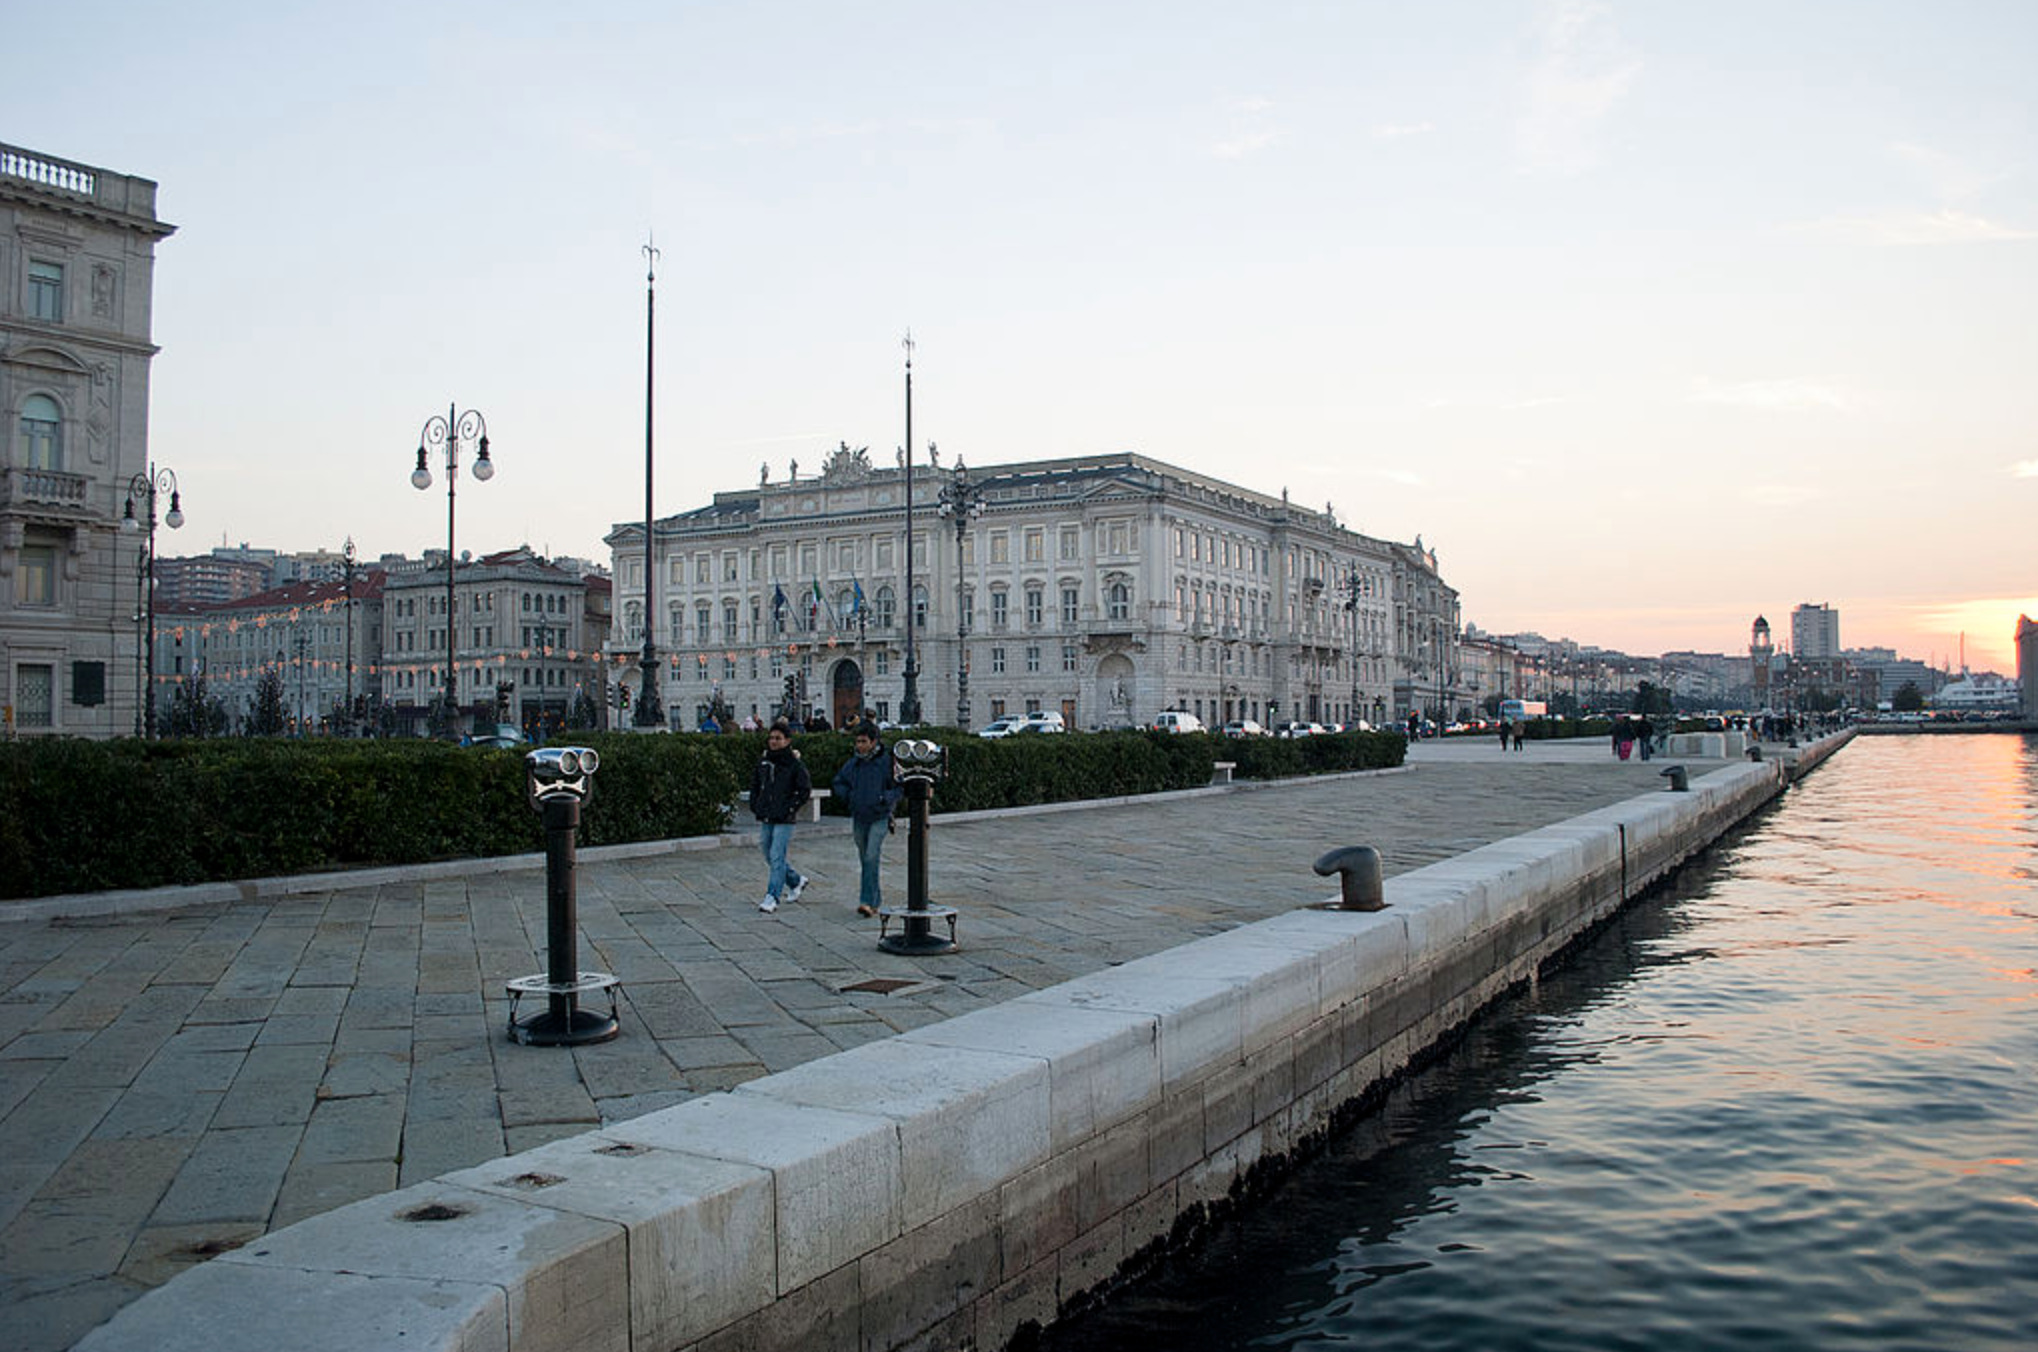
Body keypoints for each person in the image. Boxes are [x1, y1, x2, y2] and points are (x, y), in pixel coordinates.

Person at [832, 721, 902, 919]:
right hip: (859, 816)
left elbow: (898, 787)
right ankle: (875, 899)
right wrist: (849, 796)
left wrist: (886, 799)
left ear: (874, 742)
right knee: (865, 859)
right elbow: (839, 782)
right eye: (857, 742)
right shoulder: (854, 763)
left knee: (871, 856)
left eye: (863, 741)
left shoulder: (886, 762)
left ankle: (867, 901)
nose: (859, 746)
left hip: (880, 815)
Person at [749, 720, 812, 913]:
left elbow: (804, 789)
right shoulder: (764, 762)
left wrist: (791, 807)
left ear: (787, 740)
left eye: (778, 738)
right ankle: (795, 880)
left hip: (784, 817)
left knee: (777, 855)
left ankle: (772, 896)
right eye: (771, 738)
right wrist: (756, 804)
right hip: (767, 814)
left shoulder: (794, 764)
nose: (774, 742)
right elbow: (755, 784)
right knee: (768, 853)